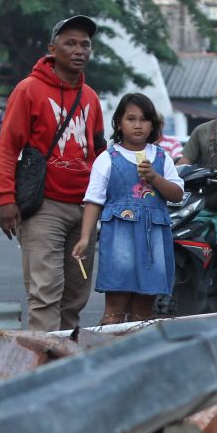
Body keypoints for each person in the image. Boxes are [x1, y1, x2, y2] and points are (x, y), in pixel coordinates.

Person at [0, 15, 106, 332]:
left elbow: (98, 152)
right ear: (52, 49)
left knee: (75, 297)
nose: (79, 49)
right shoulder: (28, 90)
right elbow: (7, 147)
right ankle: (42, 370)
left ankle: (64, 365)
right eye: (70, 43)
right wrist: (5, 199)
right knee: (45, 295)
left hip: (84, 209)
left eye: (85, 44)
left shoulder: (91, 97)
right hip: (44, 206)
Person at [72, 93, 183, 324]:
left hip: (154, 240)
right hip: (119, 239)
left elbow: (177, 194)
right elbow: (94, 201)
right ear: (119, 124)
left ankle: (136, 356)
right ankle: (110, 355)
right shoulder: (108, 158)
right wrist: (85, 238)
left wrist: (154, 177)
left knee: (144, 309)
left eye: (144, 119)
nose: (137, 125)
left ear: (152, 124)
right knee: (115, 306)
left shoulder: (162, 157)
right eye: (130, 119)